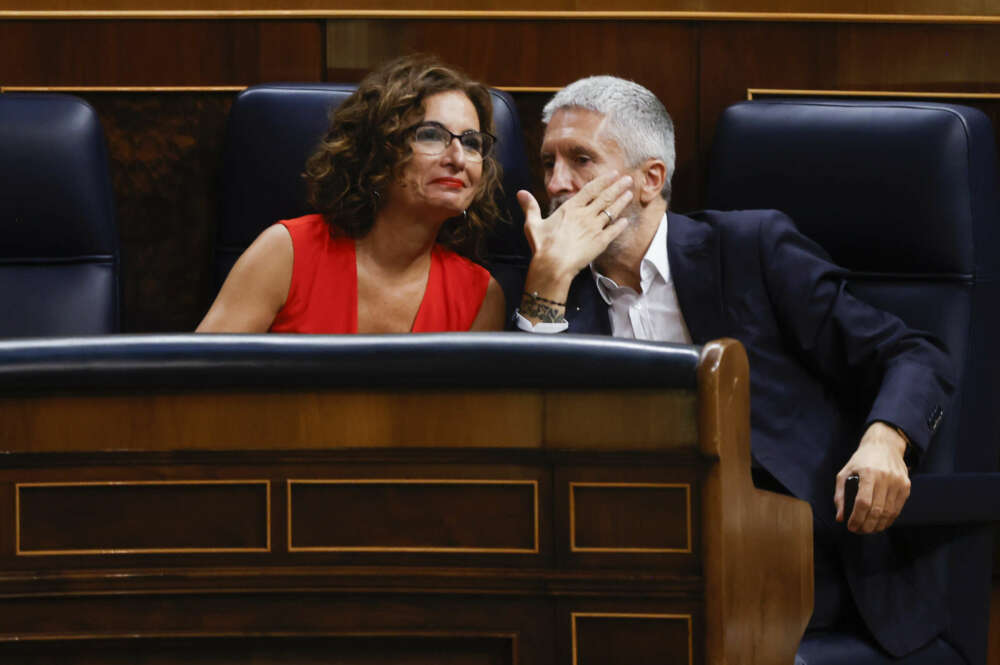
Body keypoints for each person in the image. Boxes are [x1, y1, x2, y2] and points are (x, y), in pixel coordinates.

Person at [512, 75, 954, 658]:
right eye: (547, 164)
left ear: (650, 179)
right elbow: (523, 435)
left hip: (787, 551)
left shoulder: (749, 249)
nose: (557, 185)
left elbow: (912, 353)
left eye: (581, 160)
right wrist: (546, 283)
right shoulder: (551, 289)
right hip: (623, 554)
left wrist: (886, 438)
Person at [197, 55, 506, 334]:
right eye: (430, 136)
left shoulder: (481, 295)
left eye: (471, 142)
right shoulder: (285, 254)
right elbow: (199, 385)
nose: (458, 158)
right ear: (377, 151)